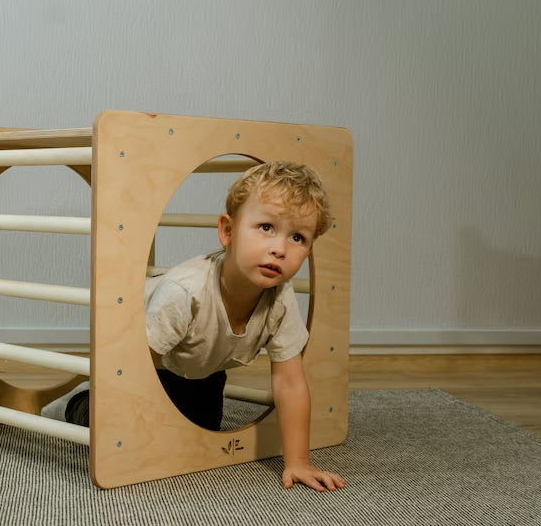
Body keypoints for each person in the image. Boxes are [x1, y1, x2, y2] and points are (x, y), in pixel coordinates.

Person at [43, 161, 345, 492]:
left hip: (203, 365)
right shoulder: (186, 292)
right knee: (125, 430)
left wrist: (298, 462)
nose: (280, 248)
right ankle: (77, 402)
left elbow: (290, 383)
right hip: (148, 358)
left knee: (201, 429)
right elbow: (135, 368)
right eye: (266, 227)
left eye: (298, 237)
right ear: (227, 231)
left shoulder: (280, 298)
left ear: (309, 250)